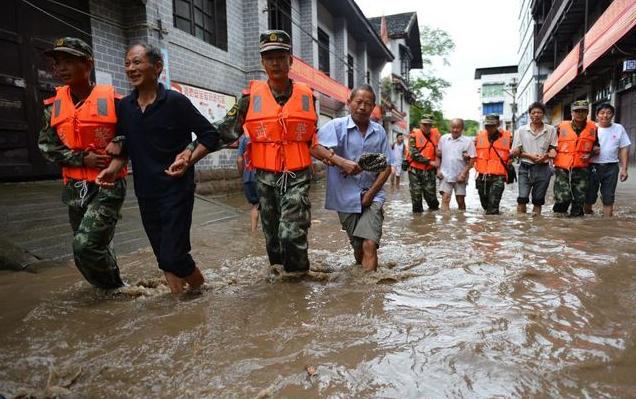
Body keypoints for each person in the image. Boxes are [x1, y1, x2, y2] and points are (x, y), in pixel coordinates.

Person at [97, 43, 234, 294]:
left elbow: (210, 135)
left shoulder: (175, 102)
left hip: (176, 189)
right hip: (145, 192)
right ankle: (182, 300)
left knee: (174, 254)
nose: (131, 68)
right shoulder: (125, 108)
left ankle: (201, 291)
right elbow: (124, 146)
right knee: (163, 256)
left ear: (157, 67)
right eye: (127, 63)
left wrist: (188, 158)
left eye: (137, 62)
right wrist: (113, 169)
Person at [192, 30, 320, 277]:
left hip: (296, 177)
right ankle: (281, 286)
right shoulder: (249, 99)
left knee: (291, 233)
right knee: (273, 240)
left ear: (290, 60)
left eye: (280, 56)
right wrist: (189, 155)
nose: (275, 62)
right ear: (262, 63)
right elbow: (223, 131)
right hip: (264, 179)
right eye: (269, 57)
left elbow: (311, 137)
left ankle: (297, 285)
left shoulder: (307, 97)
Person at [38, 37, 126, 290]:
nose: (61, 68)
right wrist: (80, 158)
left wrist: (119, 146)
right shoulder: (52, 106)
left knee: (85, 245)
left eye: (68, 62)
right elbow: (46, 146)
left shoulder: (114, 102)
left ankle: (115, 291)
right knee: (85, 249)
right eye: (57, 63)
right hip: (75, 187)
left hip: (107, 186)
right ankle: (110, 290)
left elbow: (131, 135)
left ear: (87, 65)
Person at [311, 85, 391, 271]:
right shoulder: (335, 127)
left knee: (369, 244)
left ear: (373, 108)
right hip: (345, 198)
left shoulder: (379, 132)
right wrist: (340, 161)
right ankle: (359, 286)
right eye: (359, 102)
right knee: (358, 249)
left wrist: (371, 194)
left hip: (373, 197)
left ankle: (370, 293)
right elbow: (314, 147)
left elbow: (386, 167)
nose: (363, 107)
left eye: (368, 104)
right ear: (349, 104)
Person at [552, 100, 599, 217]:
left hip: (582, 168)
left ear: (587, 112)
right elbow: (551, 144)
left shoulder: (593, 128)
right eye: (577, 111)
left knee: (579, 200)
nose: (580, 114)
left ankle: (576, 228)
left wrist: (592, 153)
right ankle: (558, 220)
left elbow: (596, 146)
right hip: (563, 168)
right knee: (563, 197)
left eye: (583, 111)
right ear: (572, 112)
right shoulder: (560, 127)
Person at [584, 103, 631, 217]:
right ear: (597, 115)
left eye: (608, 113)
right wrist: (591, 151)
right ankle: (587, 219)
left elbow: (624, 148)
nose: (605, 116)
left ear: (613, 115)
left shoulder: (618, 128)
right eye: (602, 113)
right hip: (592, 166)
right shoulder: (590, 128)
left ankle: (607, 222)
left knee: (608, 196)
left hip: (611, 167)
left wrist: (624, 169)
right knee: (589, 196)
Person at [511, 102, 557, 216]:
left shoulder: (550, 130)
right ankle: (522, 226)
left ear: (543, 114)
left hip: (544, 168)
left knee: (538, 201)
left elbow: (553, 149)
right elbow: (515, 151)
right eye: (533, 113)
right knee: (522, 198)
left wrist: (545, 156)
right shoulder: (521, 130)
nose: (536, 115)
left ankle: (537, 227)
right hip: (525, 168)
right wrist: (529, 156)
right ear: (529, 115)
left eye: (539, 112)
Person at [474, 114, 512, 215]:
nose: (489, 128)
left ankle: (493, 228)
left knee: (492, 209)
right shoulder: (479, 137)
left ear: (498, 124)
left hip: (498, 177)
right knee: (485, 205)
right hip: (482, 177)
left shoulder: (508, 137)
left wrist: (512, 157)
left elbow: (518, 149)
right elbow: (471, 152)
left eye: (492, 125)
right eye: (487, 125)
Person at [436, 118, 476, 211]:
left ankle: (461, 222)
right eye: (453, 127)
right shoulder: (444, 139)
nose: (455, 130)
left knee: (460, 200)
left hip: (460, 175)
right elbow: (438, 155)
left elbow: (473, 159)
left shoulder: (468, 141)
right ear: (450, 127)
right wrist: (438, 170)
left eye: (458, 128)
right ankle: (445, 224)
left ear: (462, 128)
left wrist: (464, 173)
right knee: (445, 199)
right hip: (445, 174)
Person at [405, 116, 441, 212]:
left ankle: (433, 219)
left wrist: (438, 167)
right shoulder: (413, 135)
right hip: (414, 170)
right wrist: (429, 161)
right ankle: (417, 221)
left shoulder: (437, 135)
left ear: (431, 125)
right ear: (420, 124)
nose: (427, 127)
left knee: (431, 197)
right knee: (416, 196)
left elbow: (440, 151)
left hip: (429, 171)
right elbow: (413, 153)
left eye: (429, 125)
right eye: (424, 124)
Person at [236, 133, 260, 231]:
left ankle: (253, 232)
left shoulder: (244, 138)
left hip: (248, 177)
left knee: (255, 205)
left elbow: (239, 160)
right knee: (268, 204)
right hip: (263, 175)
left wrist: (242, 175)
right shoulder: (264, 134)